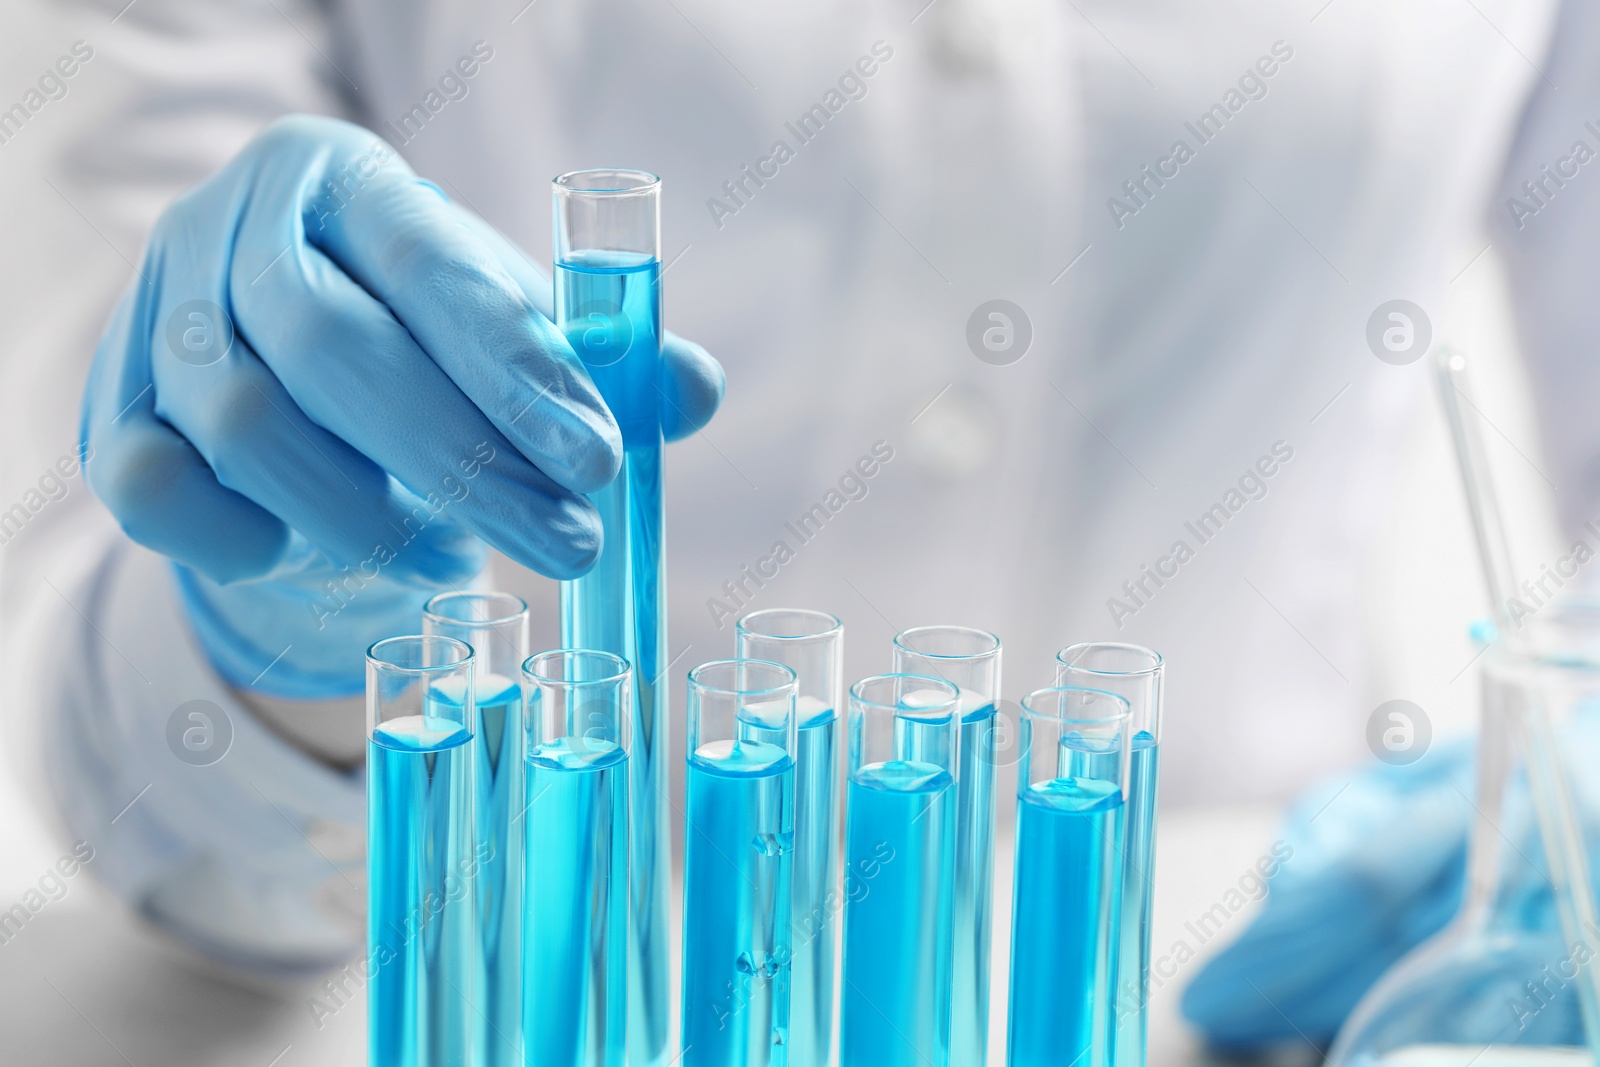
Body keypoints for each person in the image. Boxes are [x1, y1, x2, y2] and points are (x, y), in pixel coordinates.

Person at [4, 0, 1594, 1049]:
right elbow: (127, 754)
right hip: (459, 969)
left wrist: (1569, 792)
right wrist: (275, 617)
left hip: (1220, 983)